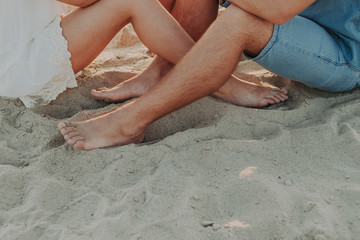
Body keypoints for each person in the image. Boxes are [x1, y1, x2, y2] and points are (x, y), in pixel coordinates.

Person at [58, 0, 360, 150]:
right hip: (306, 25)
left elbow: (278, 7)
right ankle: (161, 71)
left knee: (238, 21)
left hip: (346, 49)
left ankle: (129, 122)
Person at [0, 0, 286, 109]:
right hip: (21, 61)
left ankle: (161, 72)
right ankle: (219, 81)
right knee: (132, 0)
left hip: (28, 39)